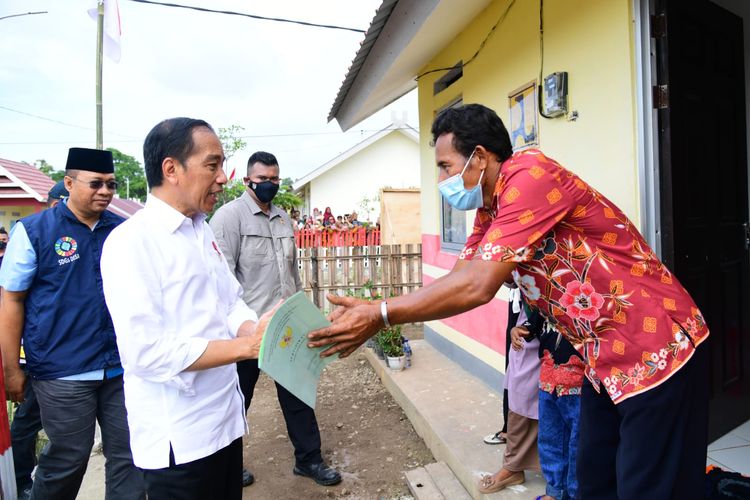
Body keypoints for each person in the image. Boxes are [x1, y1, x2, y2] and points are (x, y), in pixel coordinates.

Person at [309, 103, 710, 499]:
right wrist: (378, 309)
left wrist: (380, 315)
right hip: (603, 361)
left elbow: (478, 287)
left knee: (649, 487)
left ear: (479, 157)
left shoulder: (530, 177)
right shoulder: (491, 209)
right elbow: (459, 279)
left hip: (657, 350)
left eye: (446, 166)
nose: (442, 179)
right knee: (595, 482)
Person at [100, 118, 276, 500]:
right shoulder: (131, 242)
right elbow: (145, 351)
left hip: (224, 424)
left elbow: (229, 300)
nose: (223, 178)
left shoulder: (202, 230)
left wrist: (253, 329)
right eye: (212, 165)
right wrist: (246, 348)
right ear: (171, 169)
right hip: (180, 441)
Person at [0, 147, 144, 500]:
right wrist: (11, 370)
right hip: (62, 371)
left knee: (129, 456)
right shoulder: (34, 231)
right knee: (68, 457)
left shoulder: (122, 231)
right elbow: (11, 300)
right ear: (69, 183)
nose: (106, 191)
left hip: (120, 367)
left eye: (111, 184)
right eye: (96, 183)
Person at [210, 151, 342, 488]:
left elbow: (291, 275)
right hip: (248, 331)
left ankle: (309, 460)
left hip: (285, 327)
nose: (269, 184)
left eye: (274, 179)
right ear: (247, 181)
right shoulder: (229, 218)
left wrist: (302, 314)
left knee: (297, 394)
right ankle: (227, 465)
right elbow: (222, 281)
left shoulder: (283, 218)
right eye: (263, 179)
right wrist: (243, 331)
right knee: (238, 400)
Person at [8, 180, 70, 500]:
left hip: (59, 349)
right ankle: (20, 483)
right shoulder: (33, 234)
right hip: (34, 348)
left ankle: (27, 478)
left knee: (41, 421)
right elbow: (16, 299)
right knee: (28, 420)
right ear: (55, 202)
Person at [479, 295, 542, 494]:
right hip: (529, 315)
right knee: (519, 392)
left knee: (535, 395)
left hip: (550, 320)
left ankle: (518, 465)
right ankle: (514, 464)